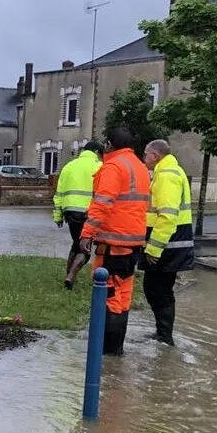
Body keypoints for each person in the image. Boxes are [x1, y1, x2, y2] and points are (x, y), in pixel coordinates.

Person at [79, 127, 151, 356]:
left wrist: (86, 234)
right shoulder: (140, 166)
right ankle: (116, 350)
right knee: (123, 296)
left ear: (110, 144)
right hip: (133, 242)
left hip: (112, 242)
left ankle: (105, 353)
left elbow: (102, 203)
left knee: (108, 294)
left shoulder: (113, 167)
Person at [140, 139, 195, 346]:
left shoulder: (166, 176)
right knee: (159, 290)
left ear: (156, 156)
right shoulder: (171, 171)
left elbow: (167, 216)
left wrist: (153, 249)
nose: (144, 157)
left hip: (167, 245)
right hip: (171, 243)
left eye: (146, 153)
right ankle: (162, 334)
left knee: (158, 290)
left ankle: (165, 337)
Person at [53, 141, 104, 289]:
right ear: (97, 153)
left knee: (76, 243)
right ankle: (71, 276)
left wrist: (58, 216)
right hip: (90, 212)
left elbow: (59, 193)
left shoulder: (69, 166)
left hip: (70, 212)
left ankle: (68, 276)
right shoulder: (100, 167)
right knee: (85, 247)